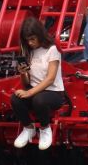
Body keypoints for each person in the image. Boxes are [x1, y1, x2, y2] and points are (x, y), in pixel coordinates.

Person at [11, 17, 65, 150]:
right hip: (35, 90)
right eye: (27, 40)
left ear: (40, 35)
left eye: (32, 39)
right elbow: (26, 83)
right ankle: (29, 128)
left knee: (38, 100)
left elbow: (50, 79)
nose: (30, 43)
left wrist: (29, 92)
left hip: (54, 92)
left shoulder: (53, 50)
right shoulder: (28, 52)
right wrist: (22, 73)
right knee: (15, 99)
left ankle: (45, 129)